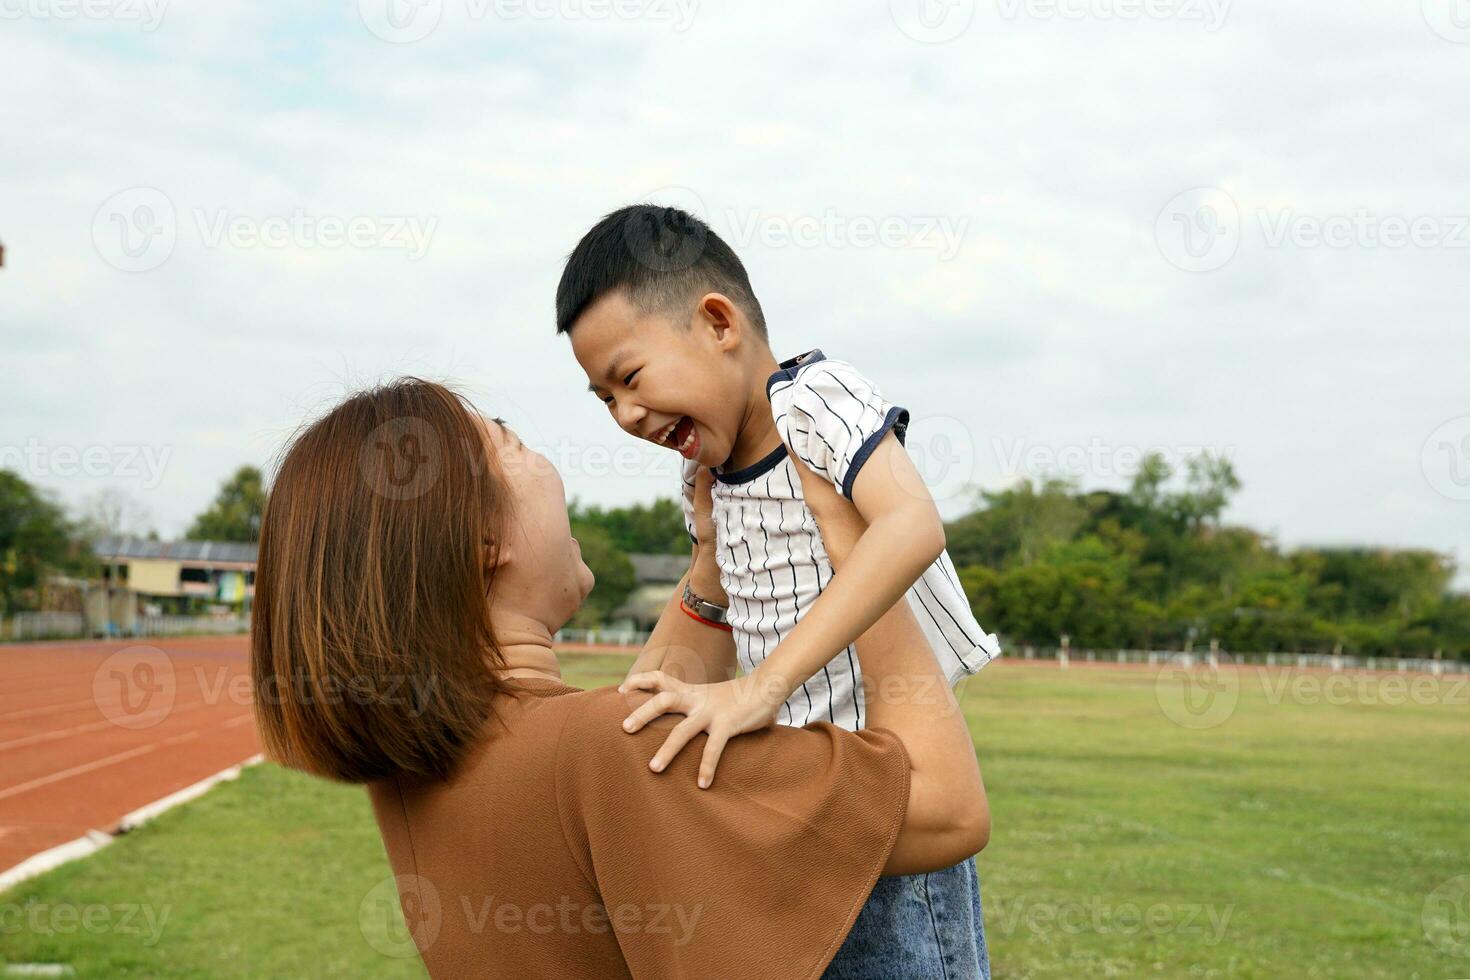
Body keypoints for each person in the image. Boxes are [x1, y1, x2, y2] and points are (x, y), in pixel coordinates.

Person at [249, 379, 990, 978]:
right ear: (481, 541)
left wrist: (711, 566)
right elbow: (948, 812)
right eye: (511, 442)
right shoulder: (607, 750)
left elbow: (622, 769)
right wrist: (857, 550)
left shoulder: (425, 774)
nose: (544, 463)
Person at [556, 204, 999, 972]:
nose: (626, 414)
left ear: (719, 323)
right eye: (604, 399)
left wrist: (762, 688)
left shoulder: (813, 401)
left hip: (888, 793)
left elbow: (912, 525)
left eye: (630, 378)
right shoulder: (705, 475)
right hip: (803, 805)